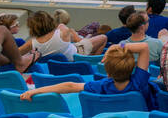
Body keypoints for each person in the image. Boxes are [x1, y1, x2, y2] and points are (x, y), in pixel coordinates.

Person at [20, 44, 158, 109]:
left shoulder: (101, 86)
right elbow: (144, 47)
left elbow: (69, 86)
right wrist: (119, 46)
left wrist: (35, 90)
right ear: (133, 67)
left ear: (107, 71)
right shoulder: (140, 82)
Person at [23, 10, 107, 61]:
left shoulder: (31, 43)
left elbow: (16, 54)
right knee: (103, 37)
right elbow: (78, 40)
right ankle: (92, 61)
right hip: (77, 54)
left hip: (57, 63)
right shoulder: (63, 30)